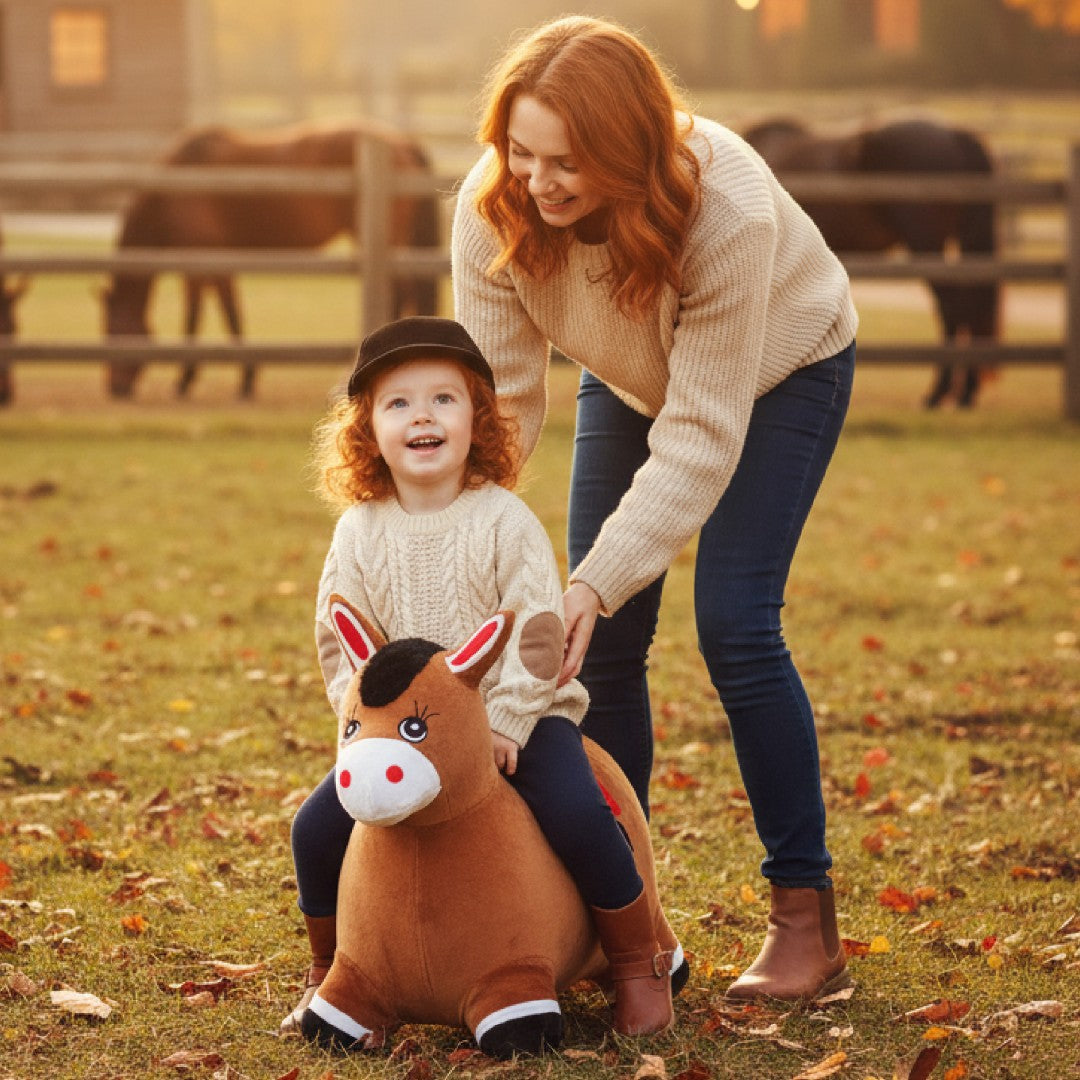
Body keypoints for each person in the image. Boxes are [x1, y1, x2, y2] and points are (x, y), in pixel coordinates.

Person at [451, 16, 858, 1003]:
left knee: (735, 621)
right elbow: (500, 402)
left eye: (567, 162)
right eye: (521, 152)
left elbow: (704, 429)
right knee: (608, 642)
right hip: (630, 376)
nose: (538, 183)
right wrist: (462, 546)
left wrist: (590, 578)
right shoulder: (491, 208)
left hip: (777, 371)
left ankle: (805, 921)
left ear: (628, 152)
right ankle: (618, 916)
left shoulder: (729, 208)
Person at [281, 315, 683, 1039]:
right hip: (402, 741)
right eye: (398, 403)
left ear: (478, 418)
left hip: (522, 720)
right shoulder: (360, 532)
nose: (422, 417)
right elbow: (342, 646)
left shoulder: (502, 520)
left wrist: (505, 724)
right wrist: (363, 736)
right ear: (368, 429)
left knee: (578, 812)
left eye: (444, 399)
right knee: (313, 829)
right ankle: (328, 971)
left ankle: (637, 960)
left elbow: (536, 634)